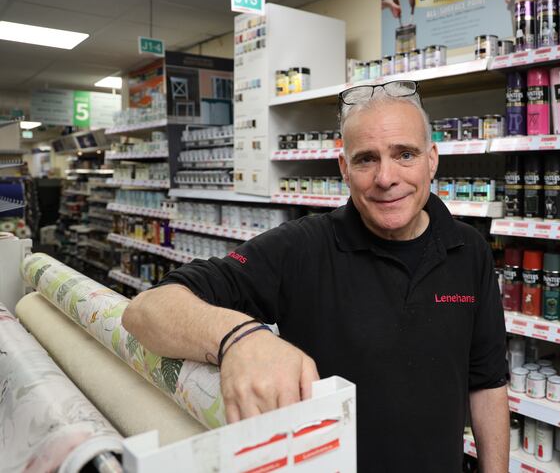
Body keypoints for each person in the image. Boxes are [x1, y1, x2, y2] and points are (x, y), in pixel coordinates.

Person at [122, 80, 509, 472]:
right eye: (365, 159)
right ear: (344, 168)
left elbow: (487, 383)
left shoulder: (470, 249)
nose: (385, 177)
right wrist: (238, 337)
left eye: (404, 154)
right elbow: (146, 310)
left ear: (432, 159)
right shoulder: (301, 247)